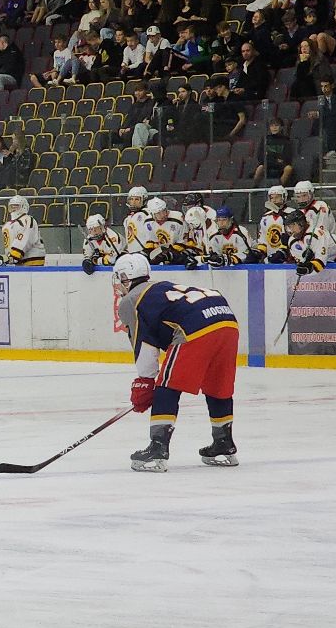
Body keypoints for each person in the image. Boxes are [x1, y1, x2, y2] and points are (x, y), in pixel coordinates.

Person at [113, 254, 240, 472]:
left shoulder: (131, 300)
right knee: (218, 386)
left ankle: (158, 446)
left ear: (125, 278)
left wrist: (145, 382)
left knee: (167, 386)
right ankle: (223, 442)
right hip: (226, 321)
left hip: (196, 326)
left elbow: (144, 344)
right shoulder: (159, 287)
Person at [0, 195, 46, 266]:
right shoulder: (8, 225)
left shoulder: (27, 220)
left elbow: (24, 240)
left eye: (16, 206)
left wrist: (12, 257)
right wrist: (7, 258)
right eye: (12, 207)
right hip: (18, 261)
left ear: (24, 207)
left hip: (32, 262)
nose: (13, 209)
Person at [284, 206, 336, 274]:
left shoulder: (316, 234)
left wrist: (310, 267)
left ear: (302, 224)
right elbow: (301, 262)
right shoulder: (292, 241)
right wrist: (305, 265)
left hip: (335, 257)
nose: (290, 230)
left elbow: (321, 260)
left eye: (293, 226)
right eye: (288, 227)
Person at [255, 186, 290, 263]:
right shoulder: (265, 217)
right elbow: (263, 240)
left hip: (289, 259)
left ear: (284, 197)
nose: (274, 200)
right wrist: (259, 252)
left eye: (277, 197)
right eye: (272, 198)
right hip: (270, 259)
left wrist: (283, 251)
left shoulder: (292, 214)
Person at [121, 186, 153, 254]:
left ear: (144, 200)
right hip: (133, 254)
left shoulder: (148, 214)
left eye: (137, 199)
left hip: (146, 253)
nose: (133, 202)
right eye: (131, 199)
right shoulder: (128, 218)